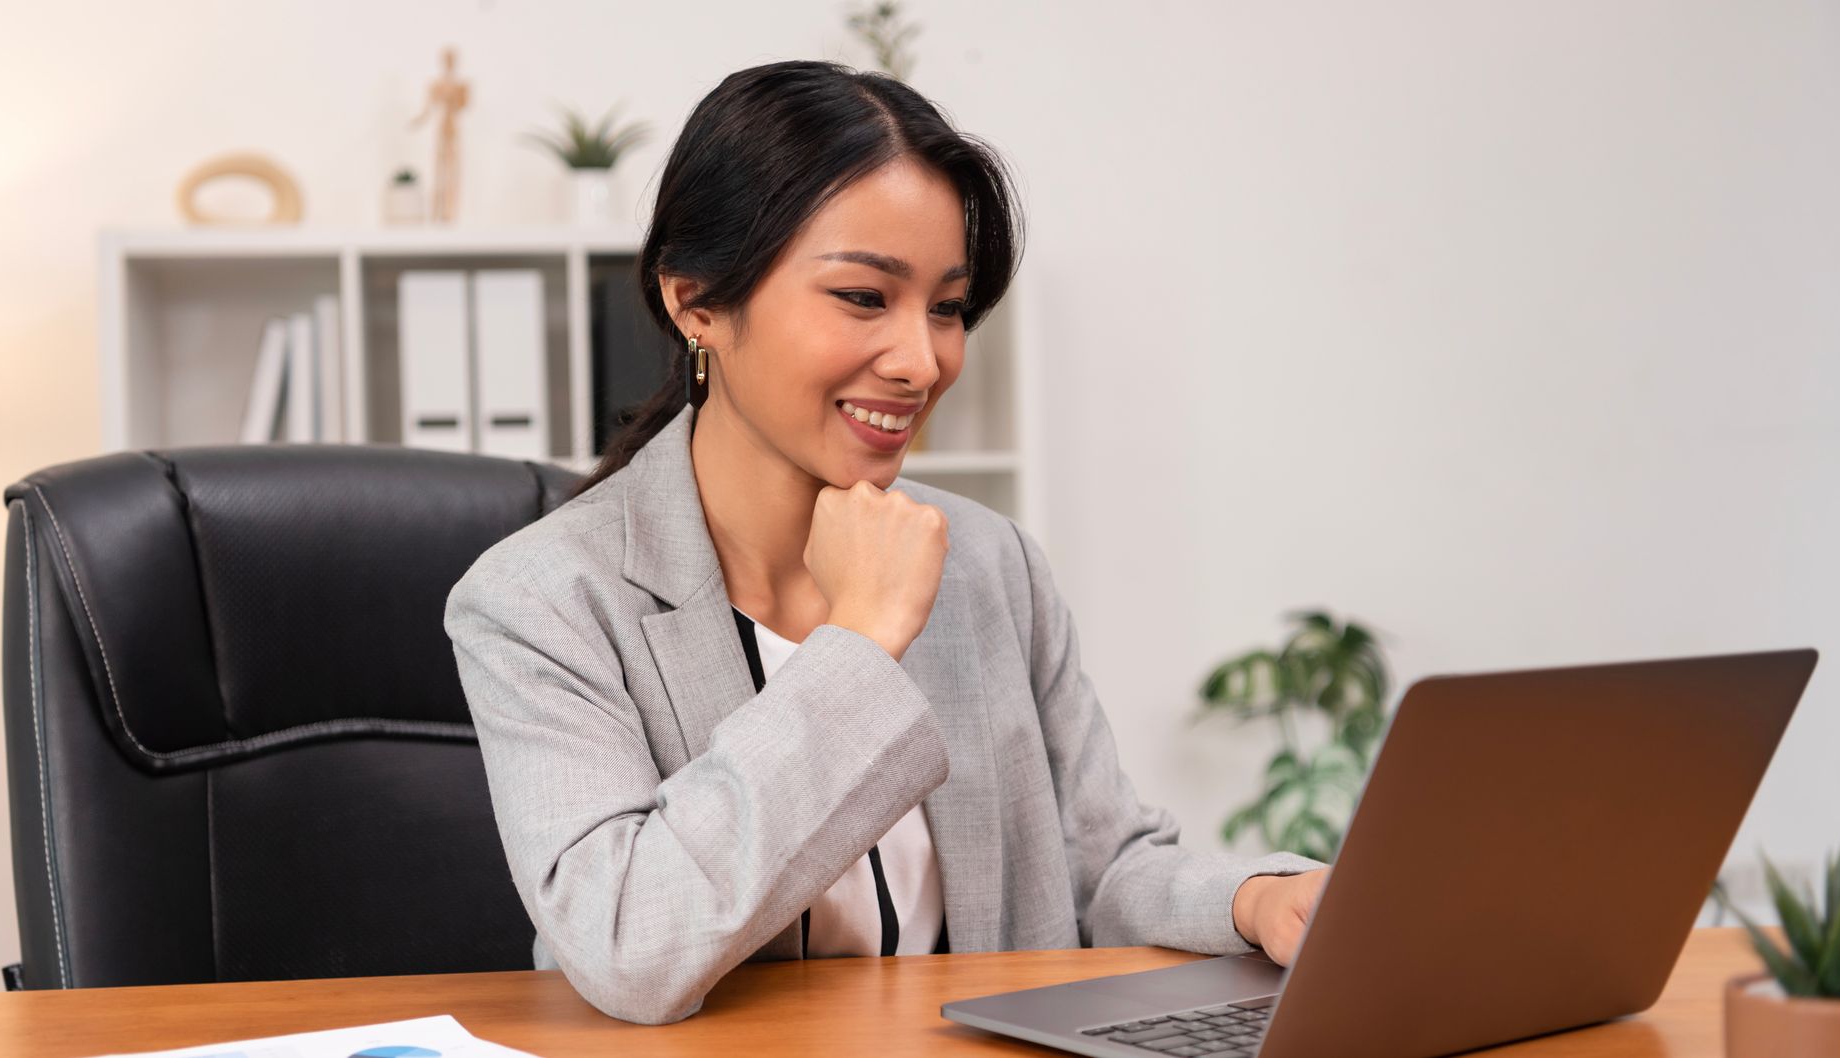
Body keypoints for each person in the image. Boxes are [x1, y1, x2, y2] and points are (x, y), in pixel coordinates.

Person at [443, 58, 1328, 1026]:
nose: (922, 360)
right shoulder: (543, 597)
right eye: (866, 296)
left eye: (947, 306)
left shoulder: (991, 561)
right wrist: (860, 642)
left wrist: (1259, 899)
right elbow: (630, 947)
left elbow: (1100, 860)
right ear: (695, 301)